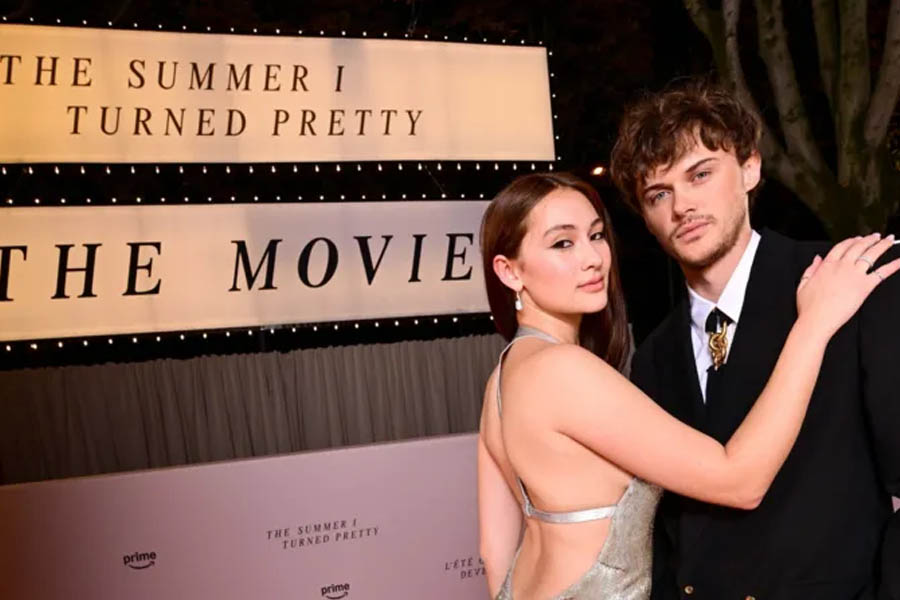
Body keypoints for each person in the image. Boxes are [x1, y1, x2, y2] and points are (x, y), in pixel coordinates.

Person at [477, 170, 898, 600]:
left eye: (597, 235)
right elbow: (739, 480)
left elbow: (493, 553)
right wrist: (813, 325)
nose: (593, 258)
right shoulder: (564, 370)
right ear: (509, 271)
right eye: (562, 243)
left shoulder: (503, 379)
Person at [610, 78, 900, 599]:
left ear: (750, 168)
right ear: (646, 218)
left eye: (700, 174)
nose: (683, 207)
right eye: (659, 194)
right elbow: (669, 533)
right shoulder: (652, 357)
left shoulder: (853, 281)